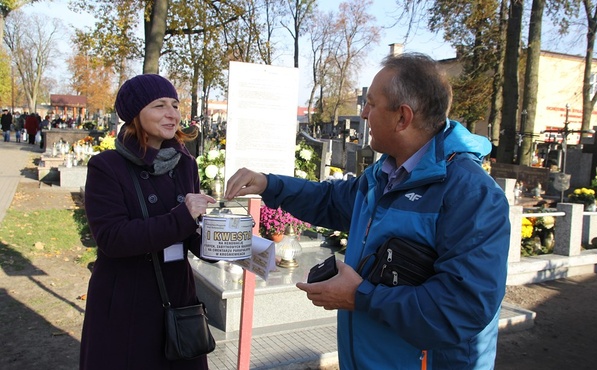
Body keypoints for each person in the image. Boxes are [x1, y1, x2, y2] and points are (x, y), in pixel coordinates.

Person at [224, 53, 510, 369]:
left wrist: (361, 297)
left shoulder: (471, 194)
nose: (363, 114)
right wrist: (268, 184)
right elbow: (328, 201)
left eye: (371, 104)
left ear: (403, 117)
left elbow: (462, 309)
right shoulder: (383, 174)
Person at [80, 74, 216, 370]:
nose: (172, 114)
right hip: (127, 301)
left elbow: (190, 234)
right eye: (159, 105)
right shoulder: (107, 167)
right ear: (134, 115)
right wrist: (181, 216)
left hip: (178, 298)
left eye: (175, 105)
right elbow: (112, 238)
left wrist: (223, 242)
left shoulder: (185, 164)